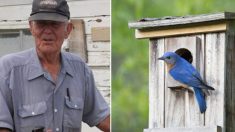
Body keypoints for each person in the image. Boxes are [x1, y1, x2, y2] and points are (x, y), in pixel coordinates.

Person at [0, 0, 110, 131]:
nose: (47, 31)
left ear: (67, 30)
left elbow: (103, 118)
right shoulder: (9, 69)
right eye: (41, 24)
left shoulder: (80, 69)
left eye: (55, 24)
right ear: (31, 27)